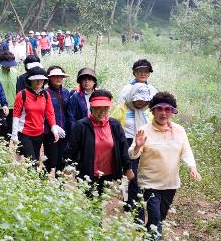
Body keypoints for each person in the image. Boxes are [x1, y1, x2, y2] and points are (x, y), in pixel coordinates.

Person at [129, 92, 201, 238]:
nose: (163, 113)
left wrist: (192, 167)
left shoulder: (179, 130)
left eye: (167, 109)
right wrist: (137, 146)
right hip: (149, 183)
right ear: (153, 111)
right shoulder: (144, 130)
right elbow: (132, 154)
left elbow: (185, 150)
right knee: (155, 219)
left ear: (173, 112)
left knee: (159, 219)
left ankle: (147, 237)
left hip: (170, 184)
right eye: (159, 109)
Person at [65, 89, 134, 196]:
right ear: (91, 107)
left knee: (100, 202)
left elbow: (123, 148)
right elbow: (71, 149)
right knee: (90, 203)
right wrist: (67, 166)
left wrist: (127, 168)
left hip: (108, 174)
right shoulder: (81, 126)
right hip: (87, 173)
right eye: (98, 108)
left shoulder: (114, 125)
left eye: (105, 108)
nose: (102, 111)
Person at [111, 83, 153, 211]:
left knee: (141, 173)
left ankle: (134, 200)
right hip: (126, 143)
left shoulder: (148, 112)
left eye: (143, 100)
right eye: (138, 99)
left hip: (144, 144)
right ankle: (129, 203)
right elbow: (112, 125)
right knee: (131, 174)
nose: (140, 102)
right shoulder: (122, 109)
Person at [11, 67, 60, 162]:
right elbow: (16, 115)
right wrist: (14, 135)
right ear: (30, 80)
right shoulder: (22, 94)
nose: (39, 81)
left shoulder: (45, 95)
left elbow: (50, 113)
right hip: (24, 133)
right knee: (32, 161)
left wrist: (54, 128)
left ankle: (26, 175)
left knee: (35, 160)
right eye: (36, 79)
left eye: (41, 79)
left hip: (38, 134)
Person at [43, 66, 70, 177]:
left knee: (62, 160)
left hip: (64, 132)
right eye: (55, 77)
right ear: (50, 78)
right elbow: (43, 113)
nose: (58, 79)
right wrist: (52, 126)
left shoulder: (66, 92)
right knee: (50, 160)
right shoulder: (45, 93)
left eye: (60, 76)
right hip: (49, 132)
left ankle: (60, 186)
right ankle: (42, 182)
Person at [0, 51, 18, 144]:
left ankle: (6, 147)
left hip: (13, 105)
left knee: (10, 128)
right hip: (0, 106)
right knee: (2, 126)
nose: (8, 66)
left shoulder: (15, 73)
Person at [67, 68, 97, 132]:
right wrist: (74, 131)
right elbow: (71, 116)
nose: (86, 81)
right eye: (84, 79)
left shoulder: (99, 95)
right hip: (81, 129)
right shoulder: (76, 97)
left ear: (94, 82)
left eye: (89, 79)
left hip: (96, 129)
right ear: (80, 82)